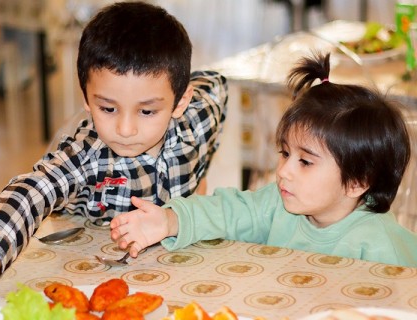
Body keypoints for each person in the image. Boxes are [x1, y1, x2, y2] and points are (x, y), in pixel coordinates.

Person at [0, 1, 227, 300]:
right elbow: (32, 191)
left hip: (177, 272)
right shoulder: (87, 155)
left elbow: (216, 85)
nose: (125, 129)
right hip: (90, 268)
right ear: (86, 98)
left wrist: (200, 174)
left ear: (180, 102)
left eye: (146, 111)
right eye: (108, 108)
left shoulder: (196, 116)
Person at [110, 52, 417, 268]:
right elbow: (228, 212)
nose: (283, 171)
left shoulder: (382, 249)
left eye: (305, 162)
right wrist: (169, 220)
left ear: (357, 182)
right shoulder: (277, 204)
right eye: (285, 154)